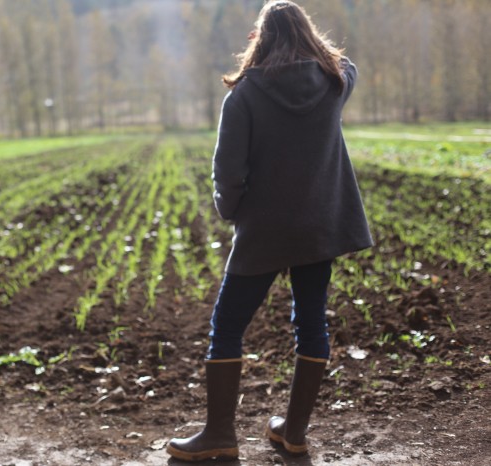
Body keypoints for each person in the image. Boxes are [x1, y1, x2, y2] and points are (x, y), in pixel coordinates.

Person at [167, 0, 372, 461]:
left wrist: (229, 209)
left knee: (228, 326)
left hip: (263, 230)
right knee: (311, 321)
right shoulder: (336, 82)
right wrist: (317, 49)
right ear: (308, 36)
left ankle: (220, 434)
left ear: (260, 39)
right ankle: (294, 432)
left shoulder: (243, 95)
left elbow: (228, 170)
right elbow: (348, 63)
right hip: (319, 229)